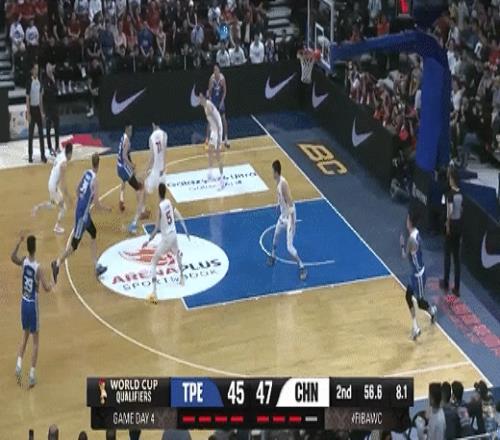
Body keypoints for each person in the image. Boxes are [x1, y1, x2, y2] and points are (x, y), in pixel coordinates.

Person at [51, 153, 110, 282]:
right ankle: (57, 263)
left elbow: (77, 190)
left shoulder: (86, 173)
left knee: (93, 233)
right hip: (82, 217)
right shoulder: (95, 180)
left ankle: (96, 265)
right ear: (98, 165)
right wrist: (106, 209)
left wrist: (82, 201)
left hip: (83, 212)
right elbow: (97, 204)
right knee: (74, 246)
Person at [12, 233, 54, 388]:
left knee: (25, 336)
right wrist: (53, 282)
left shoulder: (23, 261)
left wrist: (18, 242)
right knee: (35, 341)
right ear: (35, 248)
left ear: (27, 248)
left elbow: (12, 257)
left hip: (24, 302)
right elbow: (47, 288)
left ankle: (18, 365)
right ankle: (31, 375)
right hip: (33, 306)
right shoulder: (38, 268)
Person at [142, 182, 189, 304]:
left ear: (158, 193)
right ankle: (182, 277)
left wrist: (148, 240)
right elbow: (177, 214)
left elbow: (156, 228)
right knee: (177, 254)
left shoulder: (160, 207)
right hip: (174, 234)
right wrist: (185, 228)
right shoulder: (169, 202)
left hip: (167, 238)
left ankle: (154, 293)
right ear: (165, 192)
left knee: (154, 262)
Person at [267, 159, 307, 281]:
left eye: (272, 171)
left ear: (276, 172)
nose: (271, 173)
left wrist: (293, 222)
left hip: (289, 217)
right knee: (275, 236)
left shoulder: (283, 184)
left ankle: (302, 266)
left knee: (289, 248)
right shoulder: (278, 182)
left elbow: (290, 203)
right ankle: (273, 256)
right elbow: (281, 198)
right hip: (283, 216)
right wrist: (277, 205)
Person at [399, 210, 437, 340]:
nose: (406, 221)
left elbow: (404, 256)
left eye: (407, 219)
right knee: (408, 296)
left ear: (410, 222)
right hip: (415, 274)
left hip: (419, 276)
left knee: (420, 302)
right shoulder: (416, 232)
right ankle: (415, 327)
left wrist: (402, 245)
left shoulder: (411, 240)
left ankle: (431, 310)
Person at [32, 143, 73, 234]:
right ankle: (57, 227)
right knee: (63, 208)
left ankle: (37, 207)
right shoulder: (63, 164)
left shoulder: (61, 154)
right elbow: (63, 184)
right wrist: (68, 197)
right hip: (54, 186)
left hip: (51, 183)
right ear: (69, 153)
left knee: (52, 205)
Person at [117, 122, 149, 233]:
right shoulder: (127, 141)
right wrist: (131, 165)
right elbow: (124, 156)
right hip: (123, 168)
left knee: (130, 179)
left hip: (119, 167)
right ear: (126, 129)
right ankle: (137, 219)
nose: (131, 132)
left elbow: (124, 155)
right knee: (140, 188)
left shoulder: (122, 138)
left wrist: (131, 167)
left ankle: (121, 198)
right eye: (130, 130)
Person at [440, 167, 463, 296]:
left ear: (452, 179)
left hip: (452, 226)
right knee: (457, 258)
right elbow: (461, 210)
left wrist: (447, 225)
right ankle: (457, 288)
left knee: (447, 255)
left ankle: (446, 282)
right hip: (459, 226)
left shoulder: (450, 195)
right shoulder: (461, 194)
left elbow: (449, 212)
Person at [198, 93, 225, 189]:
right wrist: (208, 137)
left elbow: (217, 122)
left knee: (217, 155)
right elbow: (210, 123)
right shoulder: (205, 107)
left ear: (203, 98)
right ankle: (210, 173)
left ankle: (222, 179)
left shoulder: (208, 106)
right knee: (210, 151)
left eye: (200, 98)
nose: (199, 100)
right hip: (214, 130)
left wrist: (219, 138)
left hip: (218, 130)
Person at [26, 63, 47, 163]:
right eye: (35, 69)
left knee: (41, 134)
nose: (36, 71)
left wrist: (42, 112)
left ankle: (43, 155)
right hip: (32, 109)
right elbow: (27, 98)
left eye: (37, 69)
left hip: (38, 109)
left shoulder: (39, 82)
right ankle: (30, 155)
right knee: (30, 134)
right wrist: (28, 112)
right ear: (32, 70)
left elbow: (40, 98)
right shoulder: (29, 82)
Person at [207, 63, 229, 148]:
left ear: (219, 70)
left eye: (216, 69)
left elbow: (225, 91)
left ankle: (226, 139)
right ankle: (208, 140)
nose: (215, 71)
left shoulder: (222, 79)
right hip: (213, 101)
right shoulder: (211, 79)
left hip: (220, 100)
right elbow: (209, 93)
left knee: (223, 119)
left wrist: (222, 101)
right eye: (214, 70)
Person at [144, 122, 168, 195]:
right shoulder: (164, 134)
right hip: (162, 169)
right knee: (162, 192)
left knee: (146, 189)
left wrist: (147, 169)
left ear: (153, 124)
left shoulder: (151, 137)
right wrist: (164, 166)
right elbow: (164, 151)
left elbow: (152, 157)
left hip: (155, 170)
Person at [42, 62, 60, 155]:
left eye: (50, 68)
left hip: (55, 106)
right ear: (46, 69)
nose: (49, 69)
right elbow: (46, 91)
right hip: (48, 107)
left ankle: (57, 146)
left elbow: (56, 90)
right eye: (48, 68)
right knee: (48, 129)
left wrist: (53, 81)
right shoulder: (44, 79)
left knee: (57, 127)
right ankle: (49, 147)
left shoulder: (54, 78)